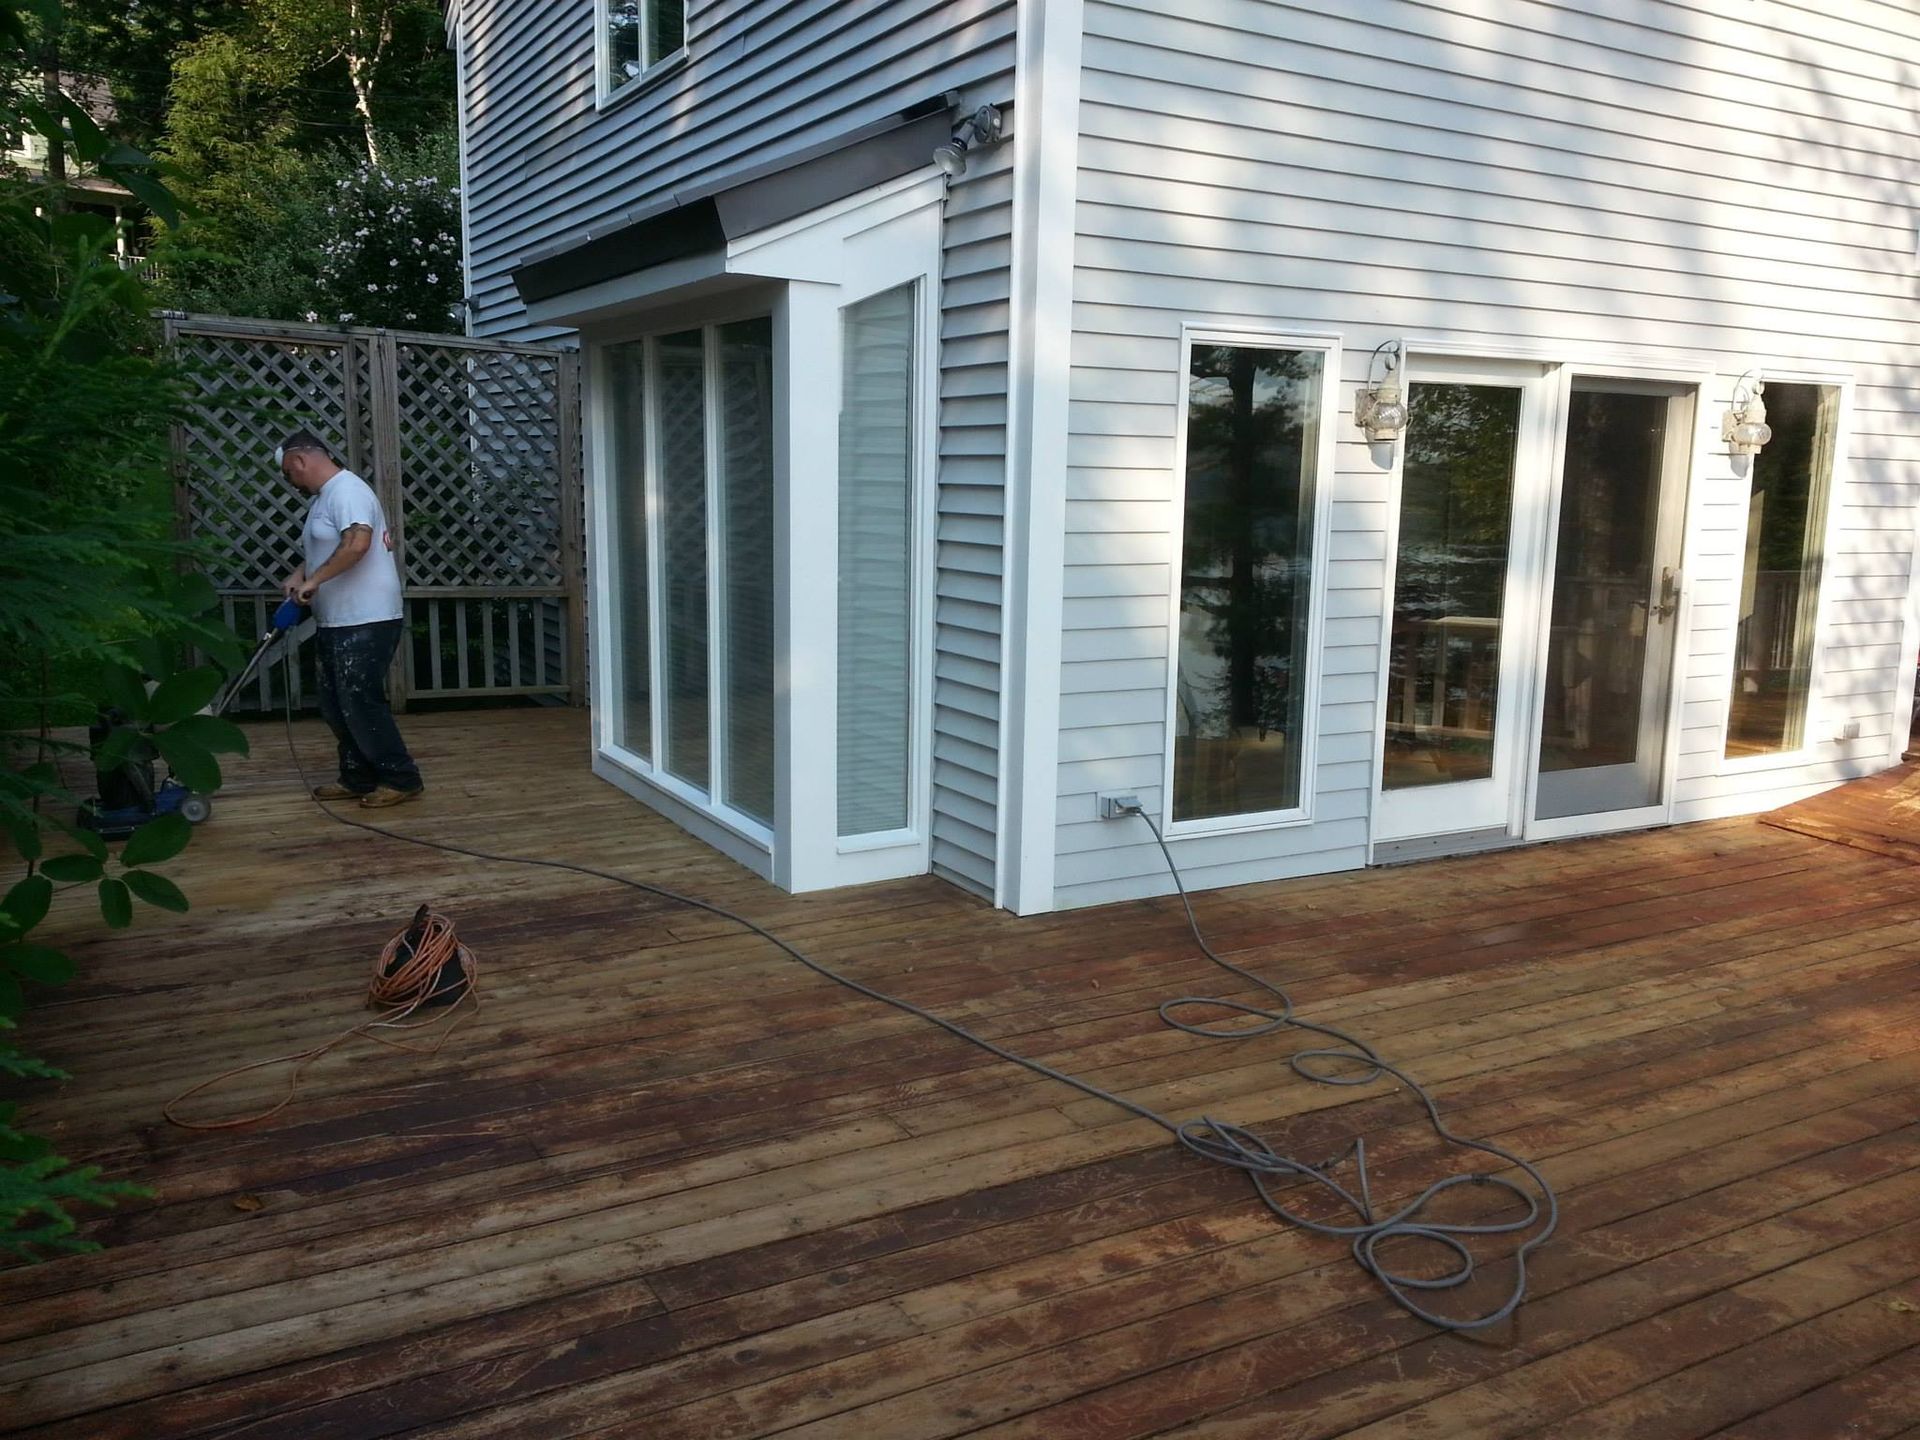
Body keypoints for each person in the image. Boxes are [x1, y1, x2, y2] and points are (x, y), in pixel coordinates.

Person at [276, 430, 424, 807]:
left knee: (360, 700)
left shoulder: (348, 491)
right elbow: (332, 545)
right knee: (335, 702)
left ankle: (401, 778)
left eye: (288, 474)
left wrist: (316, 580)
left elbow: (357, 543)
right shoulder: (328, 498)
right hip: (338, 619)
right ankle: (357, 776)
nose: (292, 483)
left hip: (367, 617)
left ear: (298, 461)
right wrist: (301, 572)